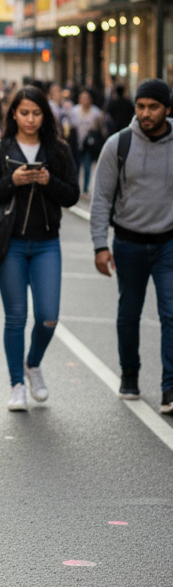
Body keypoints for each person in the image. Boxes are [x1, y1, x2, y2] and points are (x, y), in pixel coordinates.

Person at [0, 87, 79, 412]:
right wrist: (12, 181)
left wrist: (49, 181)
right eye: (24, 113)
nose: (30, 119)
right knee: (16, 317)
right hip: (11, 244)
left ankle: (32, 364)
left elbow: (72, 196)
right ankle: (16, 385)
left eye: (36, 113)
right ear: (14, 115)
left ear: (44, 115)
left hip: (47, 242)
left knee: (48, 317)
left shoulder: (57, 150)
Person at [90, 78, 173, 414]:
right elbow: (101, 199)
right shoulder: (118, 144)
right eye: (140, 107)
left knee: (171, 314)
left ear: (167, 108)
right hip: (128, 243)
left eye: (153, 107)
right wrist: (100, 245)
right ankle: (130, 373)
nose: (145, 113)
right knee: (129, 314)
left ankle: (170, 388)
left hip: (168, 243)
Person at [70, 88, 104, 195]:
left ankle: (85, 189)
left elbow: (101, 129)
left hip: (89, 144)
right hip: (76, 144)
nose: (84, 100)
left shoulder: (96, 112)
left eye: (86, 98)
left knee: (87, 166)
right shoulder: (74, 111)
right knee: (76, 166)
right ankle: (75, 187)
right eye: (82, 98)